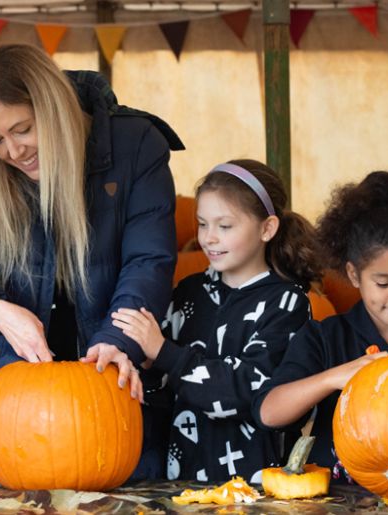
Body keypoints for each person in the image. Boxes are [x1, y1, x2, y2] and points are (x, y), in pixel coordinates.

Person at [0, 44, 183, 397]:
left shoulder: (136, 144)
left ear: (55, 110)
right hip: (24, 382)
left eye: (23, 129)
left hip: (117, 370)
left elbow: (147, 261)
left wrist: (116, 340)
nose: (14, 152)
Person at [110, 159, 323, 482]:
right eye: (202, 224)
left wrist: (166, 353)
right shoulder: (189, 293)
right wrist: (148, 368)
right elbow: (163, 393)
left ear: (267, 228)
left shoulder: (286, 304)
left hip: (254, 490)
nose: (209, 238)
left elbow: (249, 389)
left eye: (224, 226)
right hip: (181, 485)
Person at [253, 171, 388, 479]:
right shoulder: (325, 337)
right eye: (383, 283)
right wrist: (334, 378)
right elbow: (268, 412)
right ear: (354, 275)